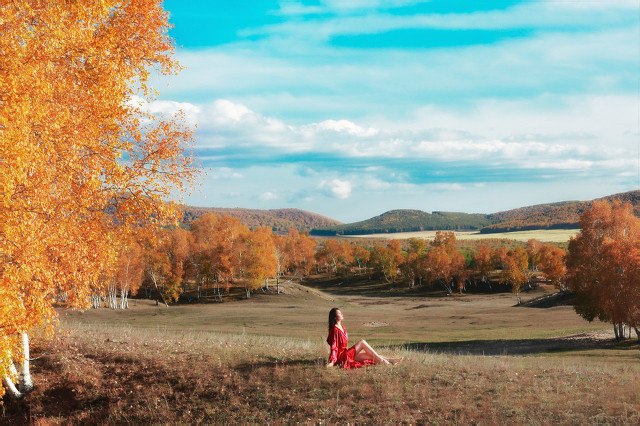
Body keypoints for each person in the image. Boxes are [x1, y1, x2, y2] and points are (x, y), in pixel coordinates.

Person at [326, 307, 402, 369]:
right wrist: (332, 362)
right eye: (339, 313)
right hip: (342, 357)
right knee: (362, 342)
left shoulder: (341, 327)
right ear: (335, 317)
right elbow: (334, 347)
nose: (342, 314)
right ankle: (383, 361)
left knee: (369, 355)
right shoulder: (335, 330)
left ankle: (391, 360)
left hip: (347, 354)